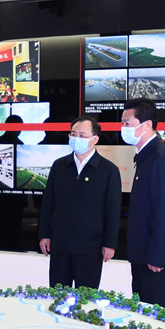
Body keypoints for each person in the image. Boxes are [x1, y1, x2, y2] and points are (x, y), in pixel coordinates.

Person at [38, 115, 122, 289]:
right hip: (60, 244)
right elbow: (48, 203)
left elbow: (112, 210)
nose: (76, 139)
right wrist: (44, 234)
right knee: (58, 295)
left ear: (95, 139)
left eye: (82, 136)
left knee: (86, 298)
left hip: (90, 248)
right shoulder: (59, 166)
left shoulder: (108, 170)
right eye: (73, 134)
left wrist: (110, 244)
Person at [121, 98, 165, 309]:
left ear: (146, 125)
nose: (123, 128)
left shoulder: (159, 159)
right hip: (143, 256)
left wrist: (157, 256)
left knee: (156, 320)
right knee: (141, 315)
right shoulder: (145, 156)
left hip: (157, 262)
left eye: (127, 123)